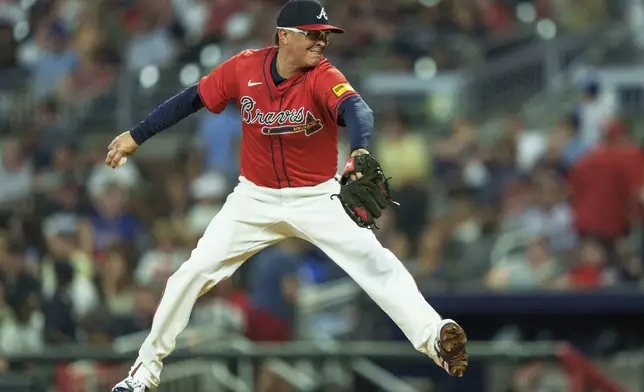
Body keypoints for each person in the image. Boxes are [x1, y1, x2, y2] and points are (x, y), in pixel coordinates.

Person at [109, 1, 468, 391]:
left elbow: (357, 109)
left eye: (325, 35)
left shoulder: (323, 76)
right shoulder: (244, 67)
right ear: (284, 35)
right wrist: (137, 135)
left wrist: (360, 148)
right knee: (189, 275)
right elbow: (191, 99)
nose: (321, 42)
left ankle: (435, 338)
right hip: (254, 199)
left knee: (376, 261)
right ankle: (143, 374)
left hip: (316, 195)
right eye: (312, 34)